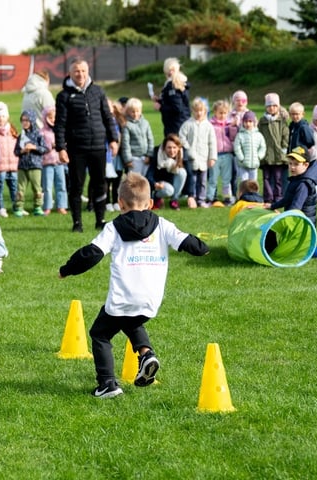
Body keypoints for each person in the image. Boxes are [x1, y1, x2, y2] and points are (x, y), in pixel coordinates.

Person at [58, 172, 210, 398]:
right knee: (132, 320)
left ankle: (107, 384)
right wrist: (203, 247)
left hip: (122, 298)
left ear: (120, 203)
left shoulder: (113, 227)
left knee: (100, 334)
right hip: (151, 298)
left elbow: (92, 254)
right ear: (149, 203)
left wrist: (67, 269)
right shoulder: (162, 224)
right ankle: (146, 354)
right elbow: (188, 242)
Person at [54, 58, 119, 232]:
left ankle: (101, 220)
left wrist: (113, 139)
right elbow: (59, 124)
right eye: (76, 71)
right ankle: (77, 223)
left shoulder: (98, 91)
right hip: (77, 149)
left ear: (88, 71)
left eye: (83, 70)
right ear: (70, 73)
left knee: (100, 184)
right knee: (76, 186)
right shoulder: (63, 96)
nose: (80, 74)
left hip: (98, 146)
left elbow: (107, 117)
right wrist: (61, 148)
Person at [179, 97, 217, 209]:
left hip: (204, 158)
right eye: (196, 111)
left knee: (203, 181)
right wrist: (188, 148)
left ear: (205, 111)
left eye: (201, 111)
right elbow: (181, 137)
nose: (199, 113)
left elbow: (212, 143)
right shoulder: (188, 124)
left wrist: (212, 157)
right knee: (192, 179)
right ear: (193, 111)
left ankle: (201, 199)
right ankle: (192, 198)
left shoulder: (208, 126)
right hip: (191, 158)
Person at [13, 110, 47, 216]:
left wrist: (34, 147)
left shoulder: (38, 135)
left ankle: (37, 207)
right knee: (20, 188)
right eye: (23, 120)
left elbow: (45, 149)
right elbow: (16, 151)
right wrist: (22, 151)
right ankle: (19, 208)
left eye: (27, 120)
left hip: (35, 165)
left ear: (32, 121)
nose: (25, 122)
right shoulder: (21, 136)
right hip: (22, 166)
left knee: (37, 188)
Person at [258, 93, 289, 204]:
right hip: (266, 155)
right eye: (269, 106)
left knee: (278, 178)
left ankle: (278, 197)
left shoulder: (281, 120)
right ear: (266, 107)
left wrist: (284, 147)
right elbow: (259, 135)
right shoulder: (262, 121)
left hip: (278, 155)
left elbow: (285, 134)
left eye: (275, 106)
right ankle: (268, 197)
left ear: (278, 107)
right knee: (266, 177)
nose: (272, 108)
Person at [0, 101, 19, 218]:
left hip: (12, 165)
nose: (1, 119)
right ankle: (1, 207)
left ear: (7, 117)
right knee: (0, 188)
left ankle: (17, 206)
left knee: (14, 188)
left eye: (3, 116)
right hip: (0, 166)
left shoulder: (12, 131)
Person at [146, 134, 187, 210]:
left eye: (174, 147)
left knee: (182, 172)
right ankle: (157, 198)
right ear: (164, 148)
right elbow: (149, 175)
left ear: (178, 148)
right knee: (169, 190)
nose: (172, 150)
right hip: (160, 184)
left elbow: (190, 175)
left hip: (172, 183)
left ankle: (174, 200)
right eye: (169, 147)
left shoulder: (181, 155)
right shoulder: (157, 155)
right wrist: (155, 184)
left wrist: (191, 195)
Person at [39, 106, 67, 216]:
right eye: (50, 117)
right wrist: (51, 146)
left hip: (59, 162)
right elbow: (40, 146)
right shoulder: (42, 132)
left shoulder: (61, 130)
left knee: (61, 185)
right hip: (47, 163)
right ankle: (47, 207)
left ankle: (62, 206)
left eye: (55, 117)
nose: (53, 119)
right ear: (45, 118)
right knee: (47, 187)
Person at [153, 57, 191, 138]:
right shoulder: (181, 83)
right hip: (181, 122)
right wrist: (160, 100)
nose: (170, 72)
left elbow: (177, 108)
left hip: (176, 125)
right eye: (168, 70)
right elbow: (173, 101)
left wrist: (161, 107)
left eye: (172, 70)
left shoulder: (173, 85)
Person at [210, 99, 238, 206]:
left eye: (225, 113)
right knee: (213, 178)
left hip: (227, 154)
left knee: (227, 178)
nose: (222, 115)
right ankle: (212, 197)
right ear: (215, 112)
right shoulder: (211, 124)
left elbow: (233, 137)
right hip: (215, 155)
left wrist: (233, 127)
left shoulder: (229, 124)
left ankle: (227, 197)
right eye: (220, 113)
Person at [120, 97, 155, 178]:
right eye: (132, 112)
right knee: (135, 180)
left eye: (137, 111)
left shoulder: (145, 123)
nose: (135, 114)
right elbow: (125, 144)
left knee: (146, 179)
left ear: (141, 111)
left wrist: (149, 155)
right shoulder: (127, 125)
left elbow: (150, 139)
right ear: (128, 112)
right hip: (134, 158)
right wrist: (128, 159)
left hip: (145, 157)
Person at [234, 111, 265, 183]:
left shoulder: (258, 135)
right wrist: (241, 158)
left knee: (253, 182)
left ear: (254, 122)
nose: (248, 124)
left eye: (250, 121)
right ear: (243, 122)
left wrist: (259, 156)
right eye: (246, 121)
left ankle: (253, 194)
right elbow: (237, 147)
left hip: (254, 164)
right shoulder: (240, 135)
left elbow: (263, 147)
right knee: (244, 181)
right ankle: (244, 194)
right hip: (243, 164)